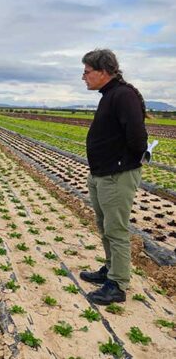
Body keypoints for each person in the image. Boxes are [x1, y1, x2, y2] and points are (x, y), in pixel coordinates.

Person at [80, 49, 148, 305]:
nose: (83, 77)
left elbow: (137, 139)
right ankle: (109, 270)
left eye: (87, 72)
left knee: (116, 230)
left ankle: (118, 285)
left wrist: (120, 163)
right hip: (102, 174)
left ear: (103, 72)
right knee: (105, 227)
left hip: (116, 176)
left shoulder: (123, 95)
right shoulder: (109, 95)